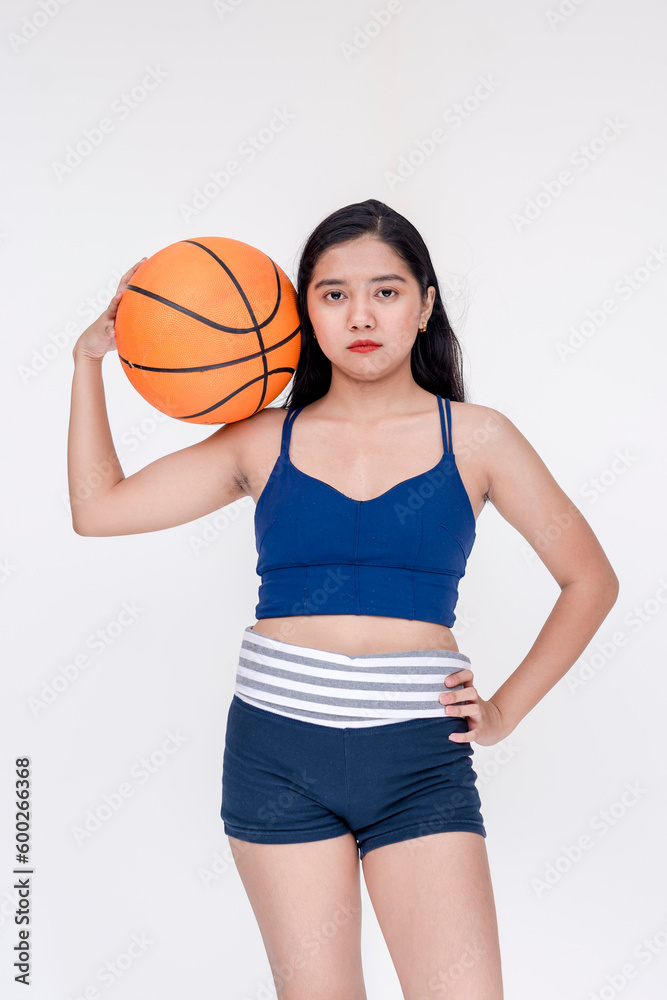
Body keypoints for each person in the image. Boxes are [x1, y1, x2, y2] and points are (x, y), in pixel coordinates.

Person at [67, 198, 619, 1000]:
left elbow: (590, 579)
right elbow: (98, 509)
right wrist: (90, 362)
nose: (360, 314)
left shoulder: (479, 437)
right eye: (333, 294)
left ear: (424, 305)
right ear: (305, 312)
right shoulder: (261, 439)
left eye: (386, 292)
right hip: (276, 757)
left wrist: (502, 712)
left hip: (419, 766)